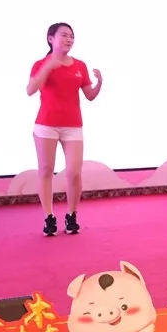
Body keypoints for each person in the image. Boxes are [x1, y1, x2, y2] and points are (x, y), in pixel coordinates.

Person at [26, 22, 102, 236]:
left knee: (74, 172)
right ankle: (49, 217)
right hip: (46, 124)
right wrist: (48, 67)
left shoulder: (79, 65)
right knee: (45, 170)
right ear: (51, 39)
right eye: (64, 35)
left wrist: (99, 83)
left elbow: (89, 95)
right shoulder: (40, 64)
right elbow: (30, 89)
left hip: (73, 126)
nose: (69, 39)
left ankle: (71, 215)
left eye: (71, 36)